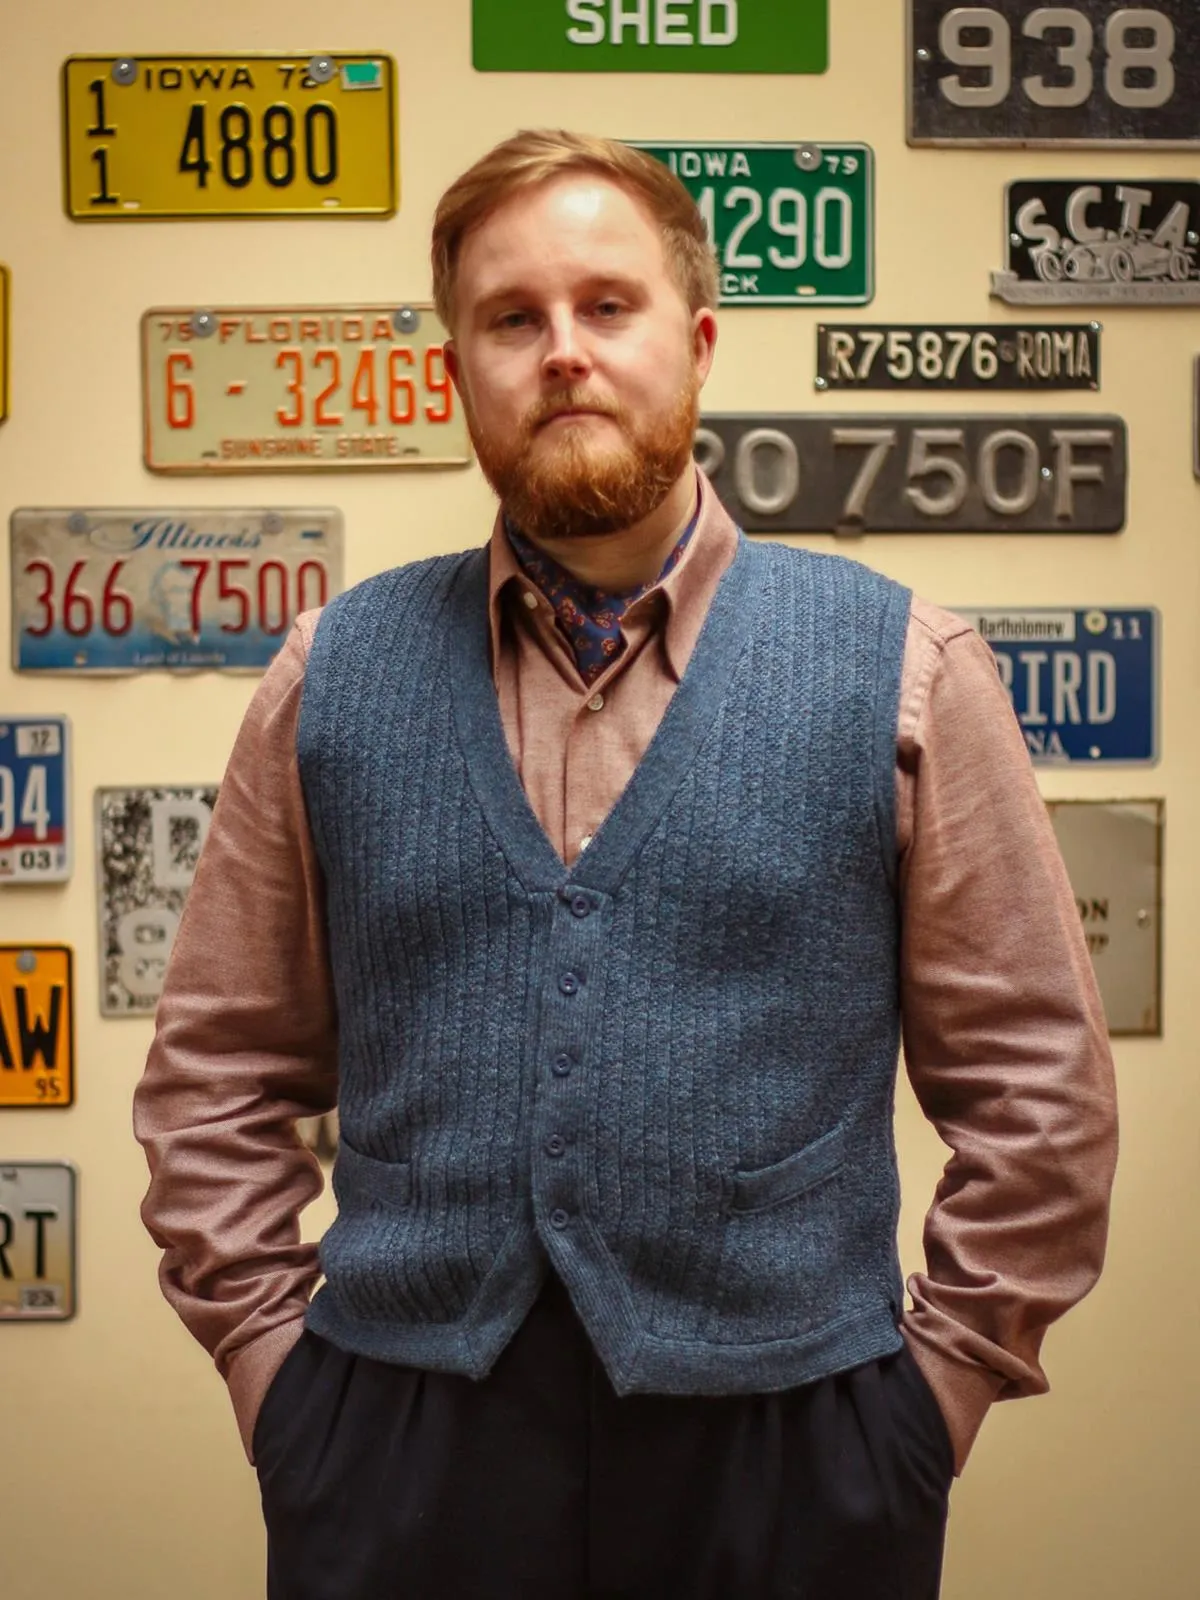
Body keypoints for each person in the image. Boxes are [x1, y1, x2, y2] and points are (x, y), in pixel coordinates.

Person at [133, 129, 1119, 1600]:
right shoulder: (329, 675)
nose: (564, 354)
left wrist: (933, 1399)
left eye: (609, 306)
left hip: (800, 1454)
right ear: (454, 366)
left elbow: (1039, 1088)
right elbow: (215, 1069)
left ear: (699, 342)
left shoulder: (906, 669)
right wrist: (281, 1384)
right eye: (511, 319)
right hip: (400, 1444)